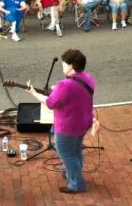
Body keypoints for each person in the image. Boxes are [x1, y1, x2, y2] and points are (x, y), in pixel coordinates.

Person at [26, 49, 96, 194]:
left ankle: (76, 184)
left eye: (64, 64)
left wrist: (33, 93)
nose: (63, 67)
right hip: (83, 123)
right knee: (76, 151)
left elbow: (50, 103)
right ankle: (73, 174)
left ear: (70, 66)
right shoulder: (88, 78)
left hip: (67, 127)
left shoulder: (65, 85)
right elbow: (74, 96)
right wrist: (57, 90)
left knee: (67, 155)